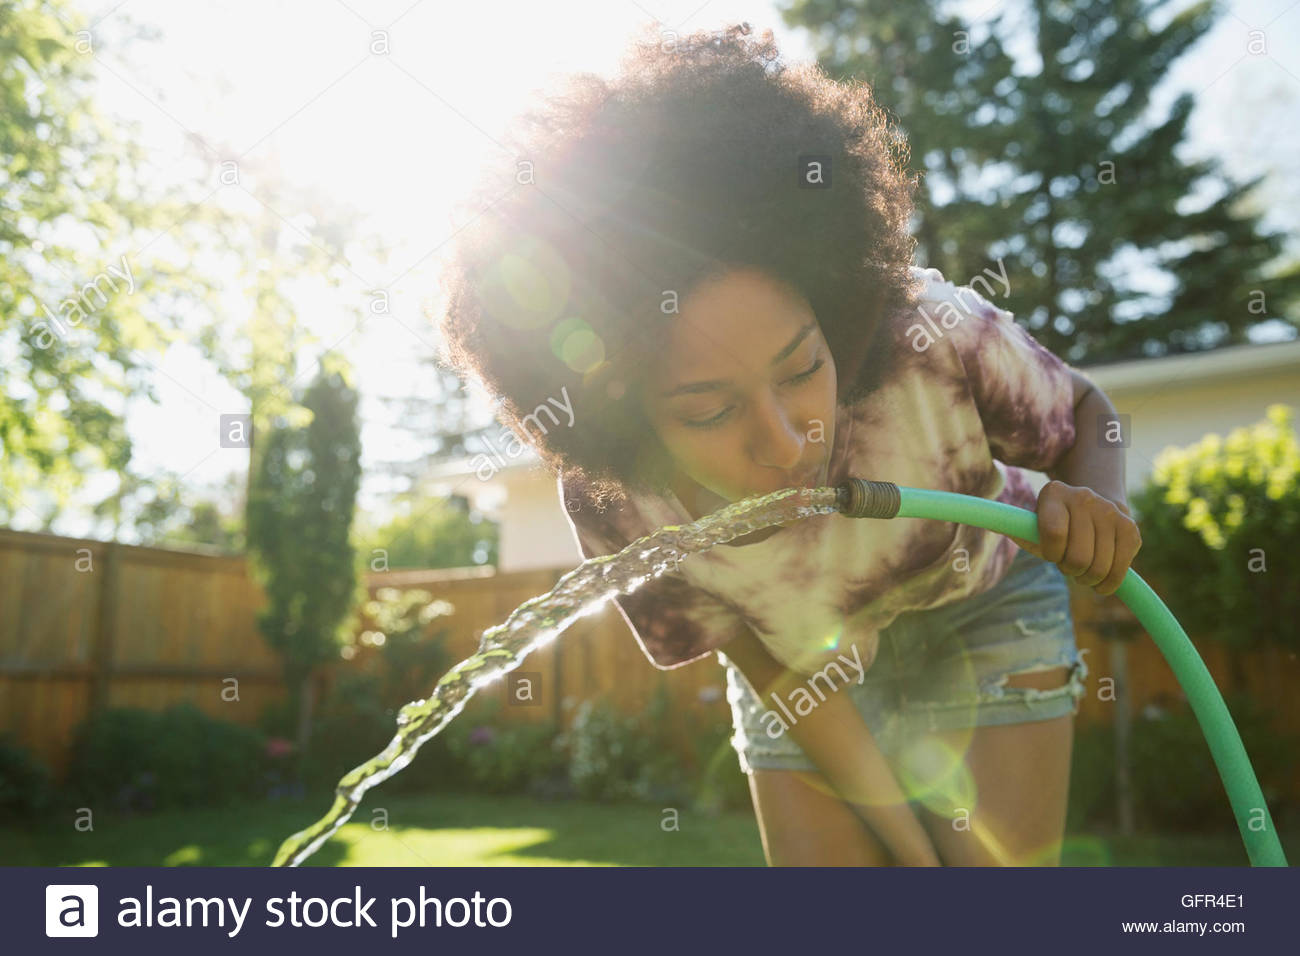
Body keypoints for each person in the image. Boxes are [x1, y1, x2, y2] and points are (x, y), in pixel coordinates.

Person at [435, 22, 1141, 866]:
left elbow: (1089, 411)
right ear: (623, 412)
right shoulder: (617, 497)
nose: (785, 439)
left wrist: (1104, 509)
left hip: (985, 604)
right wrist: (910, 851)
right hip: (804, 667)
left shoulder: (934, 337)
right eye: (706, 412)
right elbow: (767, 663)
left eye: (803, 367)